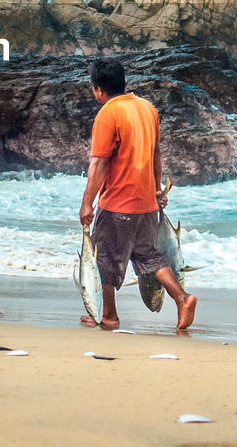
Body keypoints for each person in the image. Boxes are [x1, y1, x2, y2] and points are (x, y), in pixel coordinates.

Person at [79, 57, 197, 331]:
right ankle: (182, 298)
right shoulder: (147, 108)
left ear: (98, 89)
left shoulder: (108, 113)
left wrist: (87, 203)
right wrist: (156, 190)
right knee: (147, 257)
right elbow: (156, 154)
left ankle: (109, 315)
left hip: (118, 203)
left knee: (104, 257)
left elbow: (99, 163)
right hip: (145, 203)